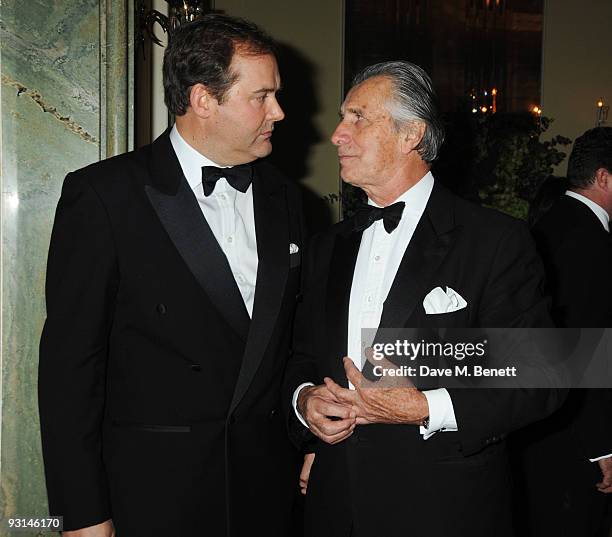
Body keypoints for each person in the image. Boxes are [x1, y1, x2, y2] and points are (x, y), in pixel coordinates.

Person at [38, 14, 304, 537]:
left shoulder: (286, 198)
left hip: (266, 492)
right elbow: (70, 372)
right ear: (204, 99)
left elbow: (289, 342)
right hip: (154, 495)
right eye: (262, 96)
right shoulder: (104, 195)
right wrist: (82, 514)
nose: (279, 111)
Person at [283, 60, 564, 537]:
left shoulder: (494, 241)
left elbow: (543, 377)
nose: (337, 135)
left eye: (356, 118)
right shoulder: (326, 246)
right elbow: (301, 356)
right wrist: (304, 402)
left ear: (411, 133)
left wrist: (427, 408)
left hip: (443, 507)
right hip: (336, 503)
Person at [513, 127, 612, 537]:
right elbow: (581, 348)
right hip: (571, 438)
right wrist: (602, 446)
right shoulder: (589, 242)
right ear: (604, 178)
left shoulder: (550, 226)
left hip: (542, 427)